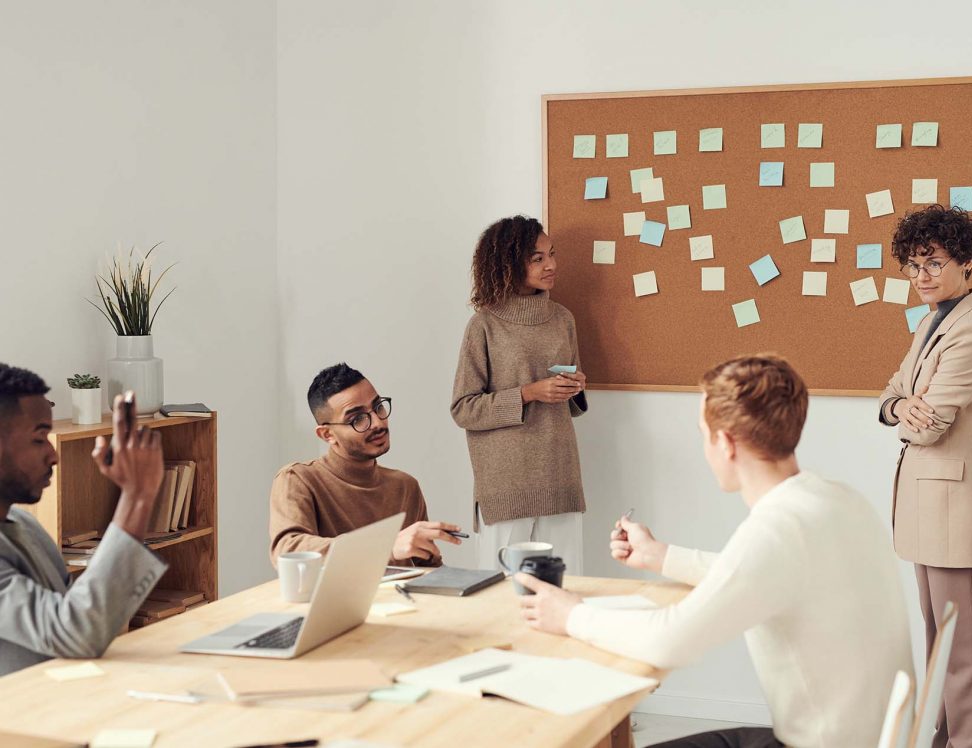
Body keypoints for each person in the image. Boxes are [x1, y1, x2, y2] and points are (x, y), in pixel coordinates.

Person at [518, 355, 913, 748]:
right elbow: (761, 575)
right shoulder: (837, 499)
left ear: (725, 443)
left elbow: (667, 640)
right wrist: (660, 556)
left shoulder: (778, 528)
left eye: (703, 433)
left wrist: (571, 615)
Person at [879, 204, 972, 748]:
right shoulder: (935, 321)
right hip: (929, 510)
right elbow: (891, 394)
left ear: (968, 260)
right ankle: (947, 741)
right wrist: (900, 406)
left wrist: (907, 409)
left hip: (957, 511)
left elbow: (928, 427)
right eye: (912, 266)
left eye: (933, 263)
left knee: (967, 652)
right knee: (943, 643)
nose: (922, 277)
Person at [0, 365, 168, 676]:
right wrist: (137, 496)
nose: (54, 455)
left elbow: (82, 623)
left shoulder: (26, 526)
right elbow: (76, 632)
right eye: (39, 439)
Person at [451, 215, 588, 574]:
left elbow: (569, 404)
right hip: (506, 485)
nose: (551, 265)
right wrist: (528, 393)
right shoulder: (484, 324)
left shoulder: (563, 319)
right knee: (501, 594)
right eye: (537, 258)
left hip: (559, 475)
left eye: (551, 254)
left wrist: (574, 387)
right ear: (508, 263)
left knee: (566, 587)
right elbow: (464, 409)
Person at [269, 362, 461, 566]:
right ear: (327, 434)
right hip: (336, 599)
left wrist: (430, 555)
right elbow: (288, 551)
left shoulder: (405, 486)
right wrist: (385, 547)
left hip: (401, 598)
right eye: (358, 419)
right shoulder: (297, 479)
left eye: (378, 407)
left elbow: (430, 574)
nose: (378, 423)